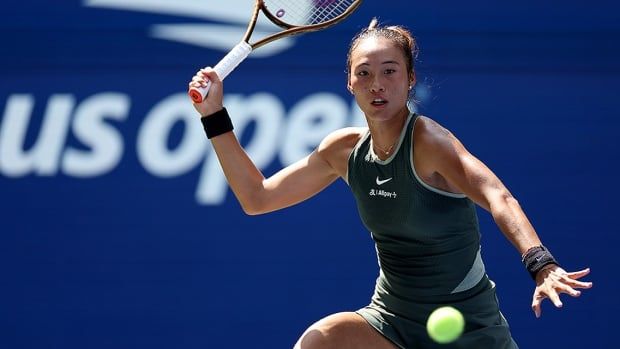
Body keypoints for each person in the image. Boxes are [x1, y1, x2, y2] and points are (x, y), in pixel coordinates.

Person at [188, 18, 593, 349]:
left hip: (471, 330)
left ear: (410, 79)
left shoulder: (430, 142)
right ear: (349, 83)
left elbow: (496, 195)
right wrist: (213, 115)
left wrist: (541, 264)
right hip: (392, 320)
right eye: (363, 73)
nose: (376, 84)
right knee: (322, 340)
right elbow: (256, 198)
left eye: (389, 71)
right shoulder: (343, 150)